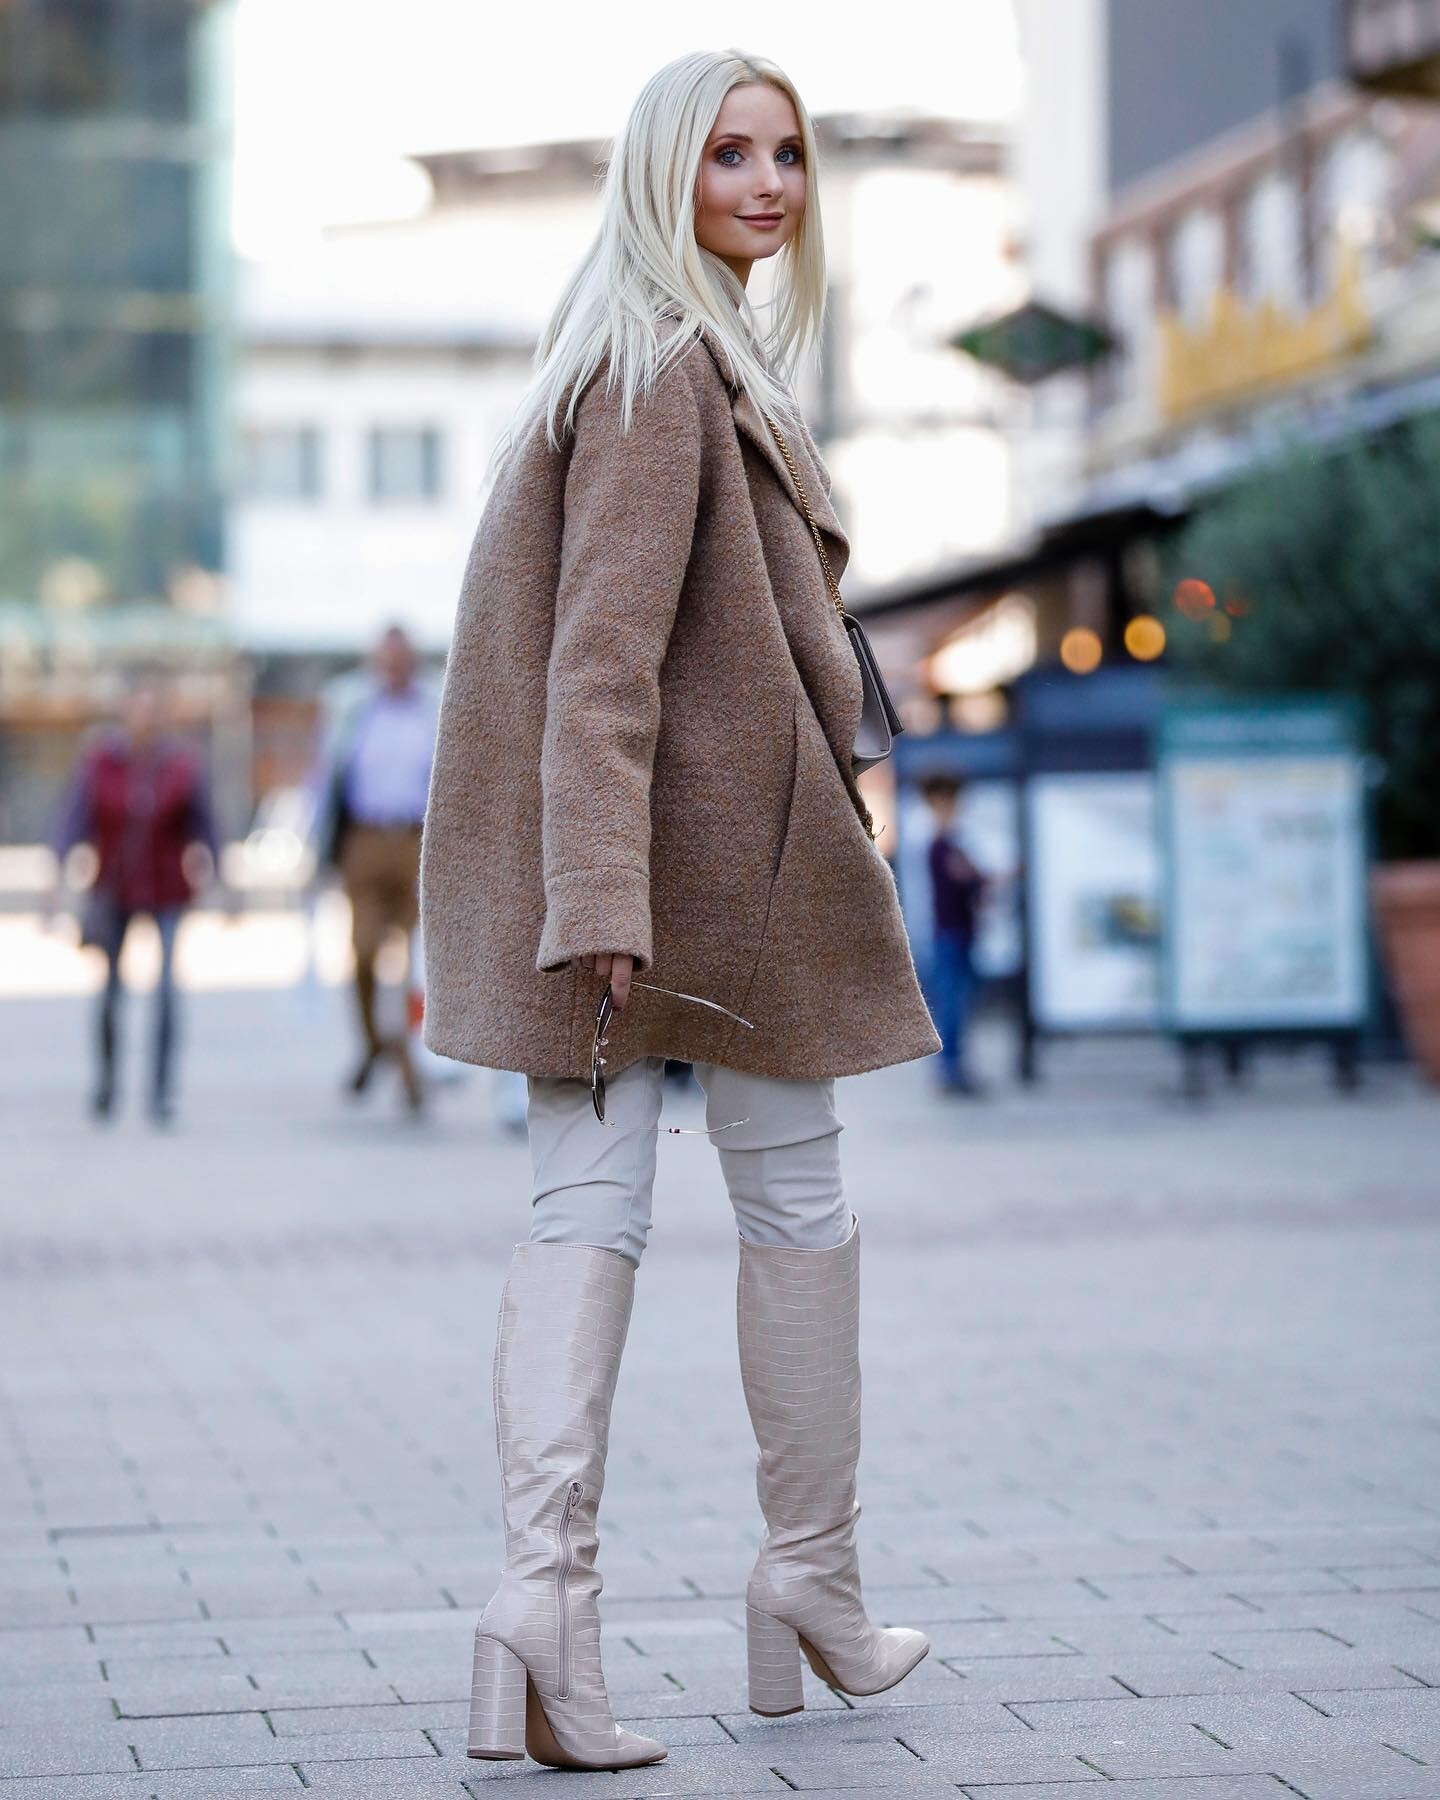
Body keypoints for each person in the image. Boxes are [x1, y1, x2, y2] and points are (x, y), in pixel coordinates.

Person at [419, 51, 941, 1775]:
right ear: (665, 173)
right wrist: (595, 892)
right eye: (730, 153)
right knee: (720, 1202)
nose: (769, 183)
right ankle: (705, 1588)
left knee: (711, 1199)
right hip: (677, 890)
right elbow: (601, 663)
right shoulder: (658, 372)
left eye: (787, 154)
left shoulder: (675, 356)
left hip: (694, 884)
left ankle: (701, 1593)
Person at [48, 672, 221, 1125]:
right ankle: (107, 1082)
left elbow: (205, 823)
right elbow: (74, 818)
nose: (146, 718)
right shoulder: (101, 761)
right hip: (115, 886)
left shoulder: (181, 764)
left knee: (166, 990)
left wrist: (220, 875)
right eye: (139, 709)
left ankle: (161, 1092)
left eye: (154, 710)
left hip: (166, 886)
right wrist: (58, 872)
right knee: (109, 992)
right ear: (126, 713)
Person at [310, 625, 439, 1113]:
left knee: (414, 965)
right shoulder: (350, 707)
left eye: (401, 660)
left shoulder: (433, 705)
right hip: (364, 841)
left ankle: (408, 1064)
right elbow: (324, 779)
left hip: (416, 842)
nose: (394, 669)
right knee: (362, 952)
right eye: (386, 660)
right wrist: (318, 846)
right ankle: (373, 1044)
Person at [919, 772, 988, 1096]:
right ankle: (950, 1070)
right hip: (949, 933)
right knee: (952, 1004)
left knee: (958, 1004)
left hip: (956, 932)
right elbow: (969, 878)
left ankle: (954, 1068)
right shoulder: (939, 845)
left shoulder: (950, 844)